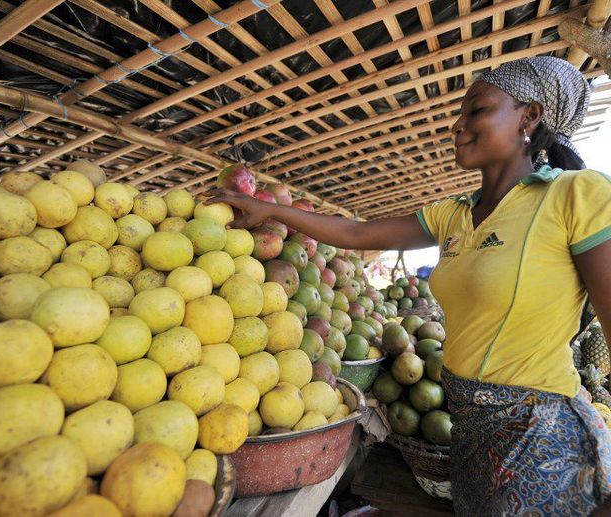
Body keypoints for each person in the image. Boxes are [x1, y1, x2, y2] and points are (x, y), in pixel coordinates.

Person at [208, 56, 611, 515]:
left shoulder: (577, 195)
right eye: (458, 115)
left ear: (529, 116)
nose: (457, 126)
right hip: (470, 431)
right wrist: (272, 211)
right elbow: (358, 235)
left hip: (541, 436)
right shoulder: (454, 215)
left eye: (476, 110)